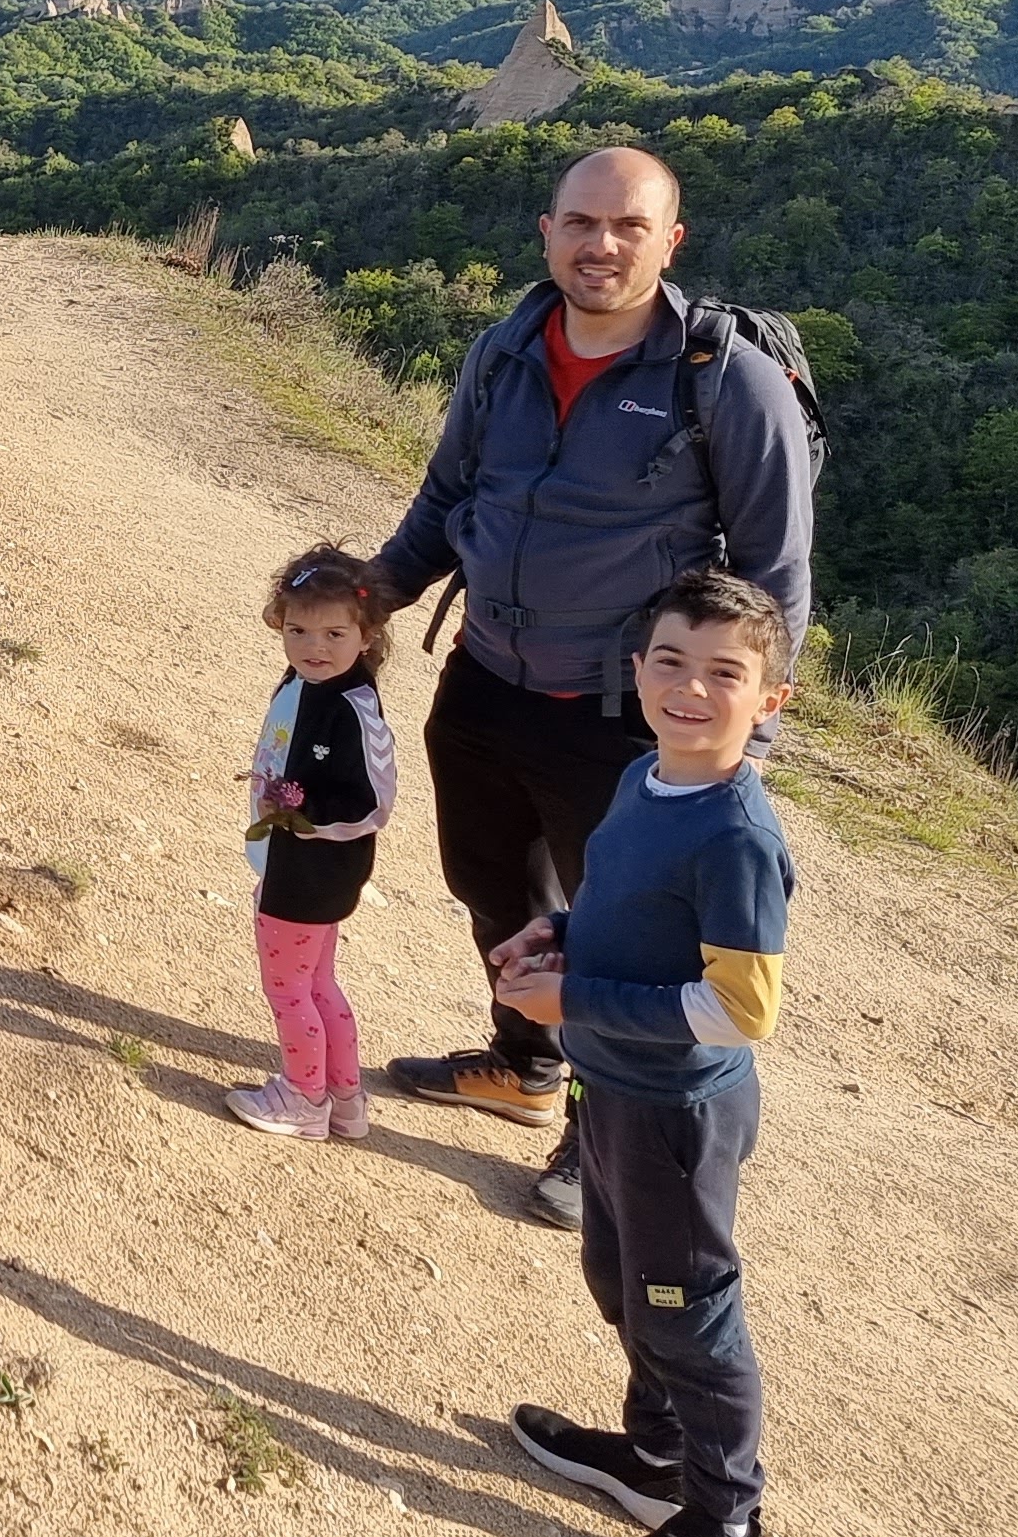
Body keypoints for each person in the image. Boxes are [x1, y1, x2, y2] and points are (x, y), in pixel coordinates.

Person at [366, 144, 814, 1224]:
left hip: (621, 715)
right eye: (580, 222)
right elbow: (447, 495)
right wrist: (370, 594)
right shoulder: (506, 349)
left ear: (671, 241)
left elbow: (775, 574)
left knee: (621, 936)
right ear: (547, 231)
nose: (600, 245)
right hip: (485, 678)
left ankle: (596, 1128)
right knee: (493, 889)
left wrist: (737, 745)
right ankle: (525, 1065)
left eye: (628, 226)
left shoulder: (723, 380)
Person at [486, 570, 797, 1537]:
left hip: (678, 1114)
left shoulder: (737, 837)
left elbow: (741, 1009)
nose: (690, 689)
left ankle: (727, 1526)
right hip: (610, 1086)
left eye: (724, 673)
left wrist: (574, 999)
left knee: (686, 1309)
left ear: (770, 700)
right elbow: (624, 910)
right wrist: (559, 933)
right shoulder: (644, 778)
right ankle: (655, 1456)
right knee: (621, 1278)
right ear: (636, 669)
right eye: (670, 660)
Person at [224, 546, 399, 1143]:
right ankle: (345, 1100)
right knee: (318, 985)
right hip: (298, 862)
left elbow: (372, 803)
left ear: (367, 635)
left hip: (309, 871)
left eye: (333, 634)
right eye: (297, 630)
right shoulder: (307, 683)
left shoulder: (353, 710)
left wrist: (302, 814)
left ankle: (302, 1098)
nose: (312, 647)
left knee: (287, 989)